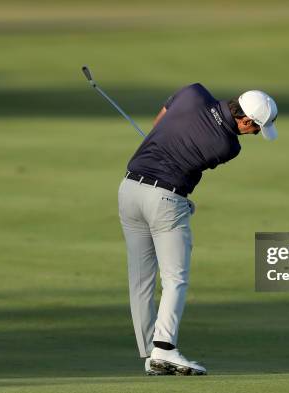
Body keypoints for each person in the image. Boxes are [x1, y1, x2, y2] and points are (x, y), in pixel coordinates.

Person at [118, 83, 278, 376]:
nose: (254, 134)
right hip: (165, 199)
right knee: (175, 277)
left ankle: (149, 353)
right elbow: (186, 169)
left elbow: (163, 120)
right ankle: (164, 349)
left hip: (129, 189)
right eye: (256, 128)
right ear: (245, 120)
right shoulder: (228, 146)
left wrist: (157, 141)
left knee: (140, 279)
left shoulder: (194, 93)